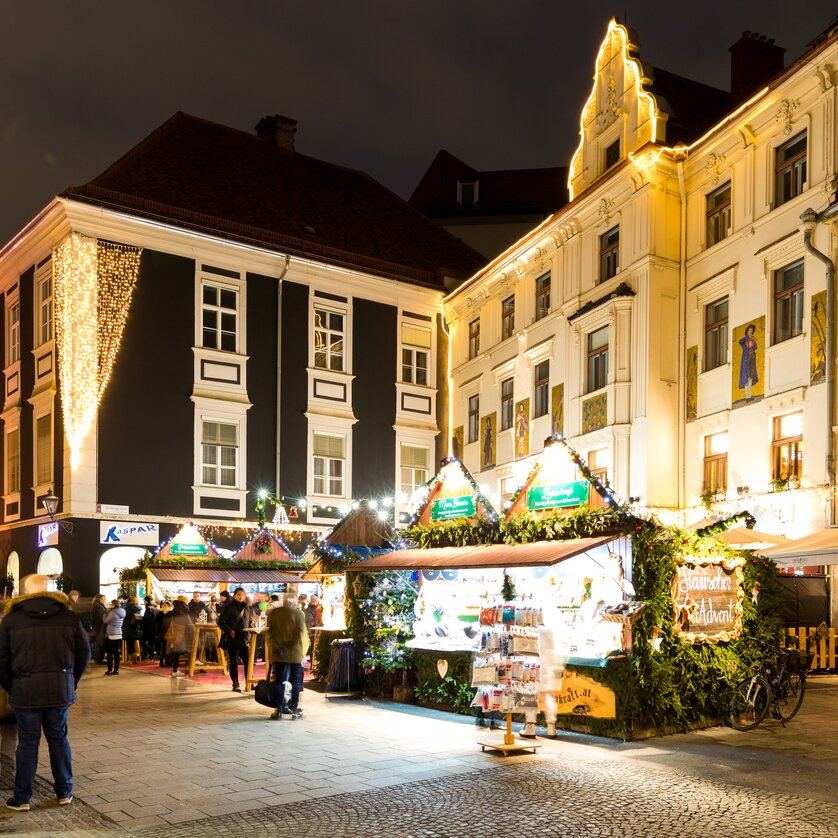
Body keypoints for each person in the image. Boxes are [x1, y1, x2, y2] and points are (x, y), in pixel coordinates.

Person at [0, 573, 90, 811]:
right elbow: (84, 653)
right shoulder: (68, 617)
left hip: (25, 689)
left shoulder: (12, 620)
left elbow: (2, 659)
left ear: (26, 593)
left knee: (28, 742)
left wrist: (12, 684)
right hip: (59, 688)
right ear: (50, 590)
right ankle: (64, 792)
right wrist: (70, 679)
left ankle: (22, 798)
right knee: (58, 738)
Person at [266, 591, 309, 720]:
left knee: (279, 680)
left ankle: (278, 710)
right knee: (296, 681)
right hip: (295, 652)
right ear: (294, 602)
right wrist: (302, 650)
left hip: (278, 653)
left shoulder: (274, 613)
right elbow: (301, 633)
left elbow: (270, 632)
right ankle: (294, 709)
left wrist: (278, 647)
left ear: (284, 601)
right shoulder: (298, 614)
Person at [217, 587, 250, 692]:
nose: (241, 596)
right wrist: (229, 631)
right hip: (233, 639)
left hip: (245, 639)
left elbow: (249, 621)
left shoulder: (247, 607)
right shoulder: (228, 607)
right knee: (234, 662)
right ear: (234, 595)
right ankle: (235, 683)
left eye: (242, 594)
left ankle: (249, 682)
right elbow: (221, 622)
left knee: (248, 661)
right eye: (239, 594)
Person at [163, 597, 194, 677]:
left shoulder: (177, 608)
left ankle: (176, 669)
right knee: (179, 651)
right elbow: (185, 622)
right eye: (187, 600)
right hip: (181, 634)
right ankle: (176, 670)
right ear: (184, 601)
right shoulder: (181, 609)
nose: (188, 602)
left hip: (178, 633)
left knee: (178, 651)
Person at [102, 599, 125, 675]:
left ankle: (109, 669)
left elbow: (106, 621)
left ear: (114, 605)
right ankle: (116, 669)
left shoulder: (113, 613)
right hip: (119, 634)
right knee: (116, 653)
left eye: (111, 604)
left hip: (111, 635)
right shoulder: (122, 611)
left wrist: (105, 614)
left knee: (109, 653)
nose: (110, 605)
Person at [738, 323, 758, 402]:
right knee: (746, 378)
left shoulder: (753, 339)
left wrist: (753, 342)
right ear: (747, 331)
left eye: (751, 330)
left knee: (750, 378)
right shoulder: (745, 340)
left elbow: (755, 347)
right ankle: (747, 397)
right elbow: (740, 341)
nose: (750, 331)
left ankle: (749, 396)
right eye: (749, 330)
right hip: (746, 360)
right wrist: (747, 337)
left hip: (752, 359)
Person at [123, 596, 143, 663]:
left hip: (128, 628)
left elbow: (125, 620)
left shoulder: (126, 609)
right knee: (135, 643)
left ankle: (131, 659)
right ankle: (137, 657)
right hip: (136, 629)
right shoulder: (138, 609)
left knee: (129, 644)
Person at [89, 594, 107, 663]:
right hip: (100, 628)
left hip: (97, 627)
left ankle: (98, 659)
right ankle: (99, 660)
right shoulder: (99, 607)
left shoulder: (96, 605)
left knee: (98, 644)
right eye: (104, 599)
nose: (105, 600)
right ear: (100, 599)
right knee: (100, 644)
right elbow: (100, 618)